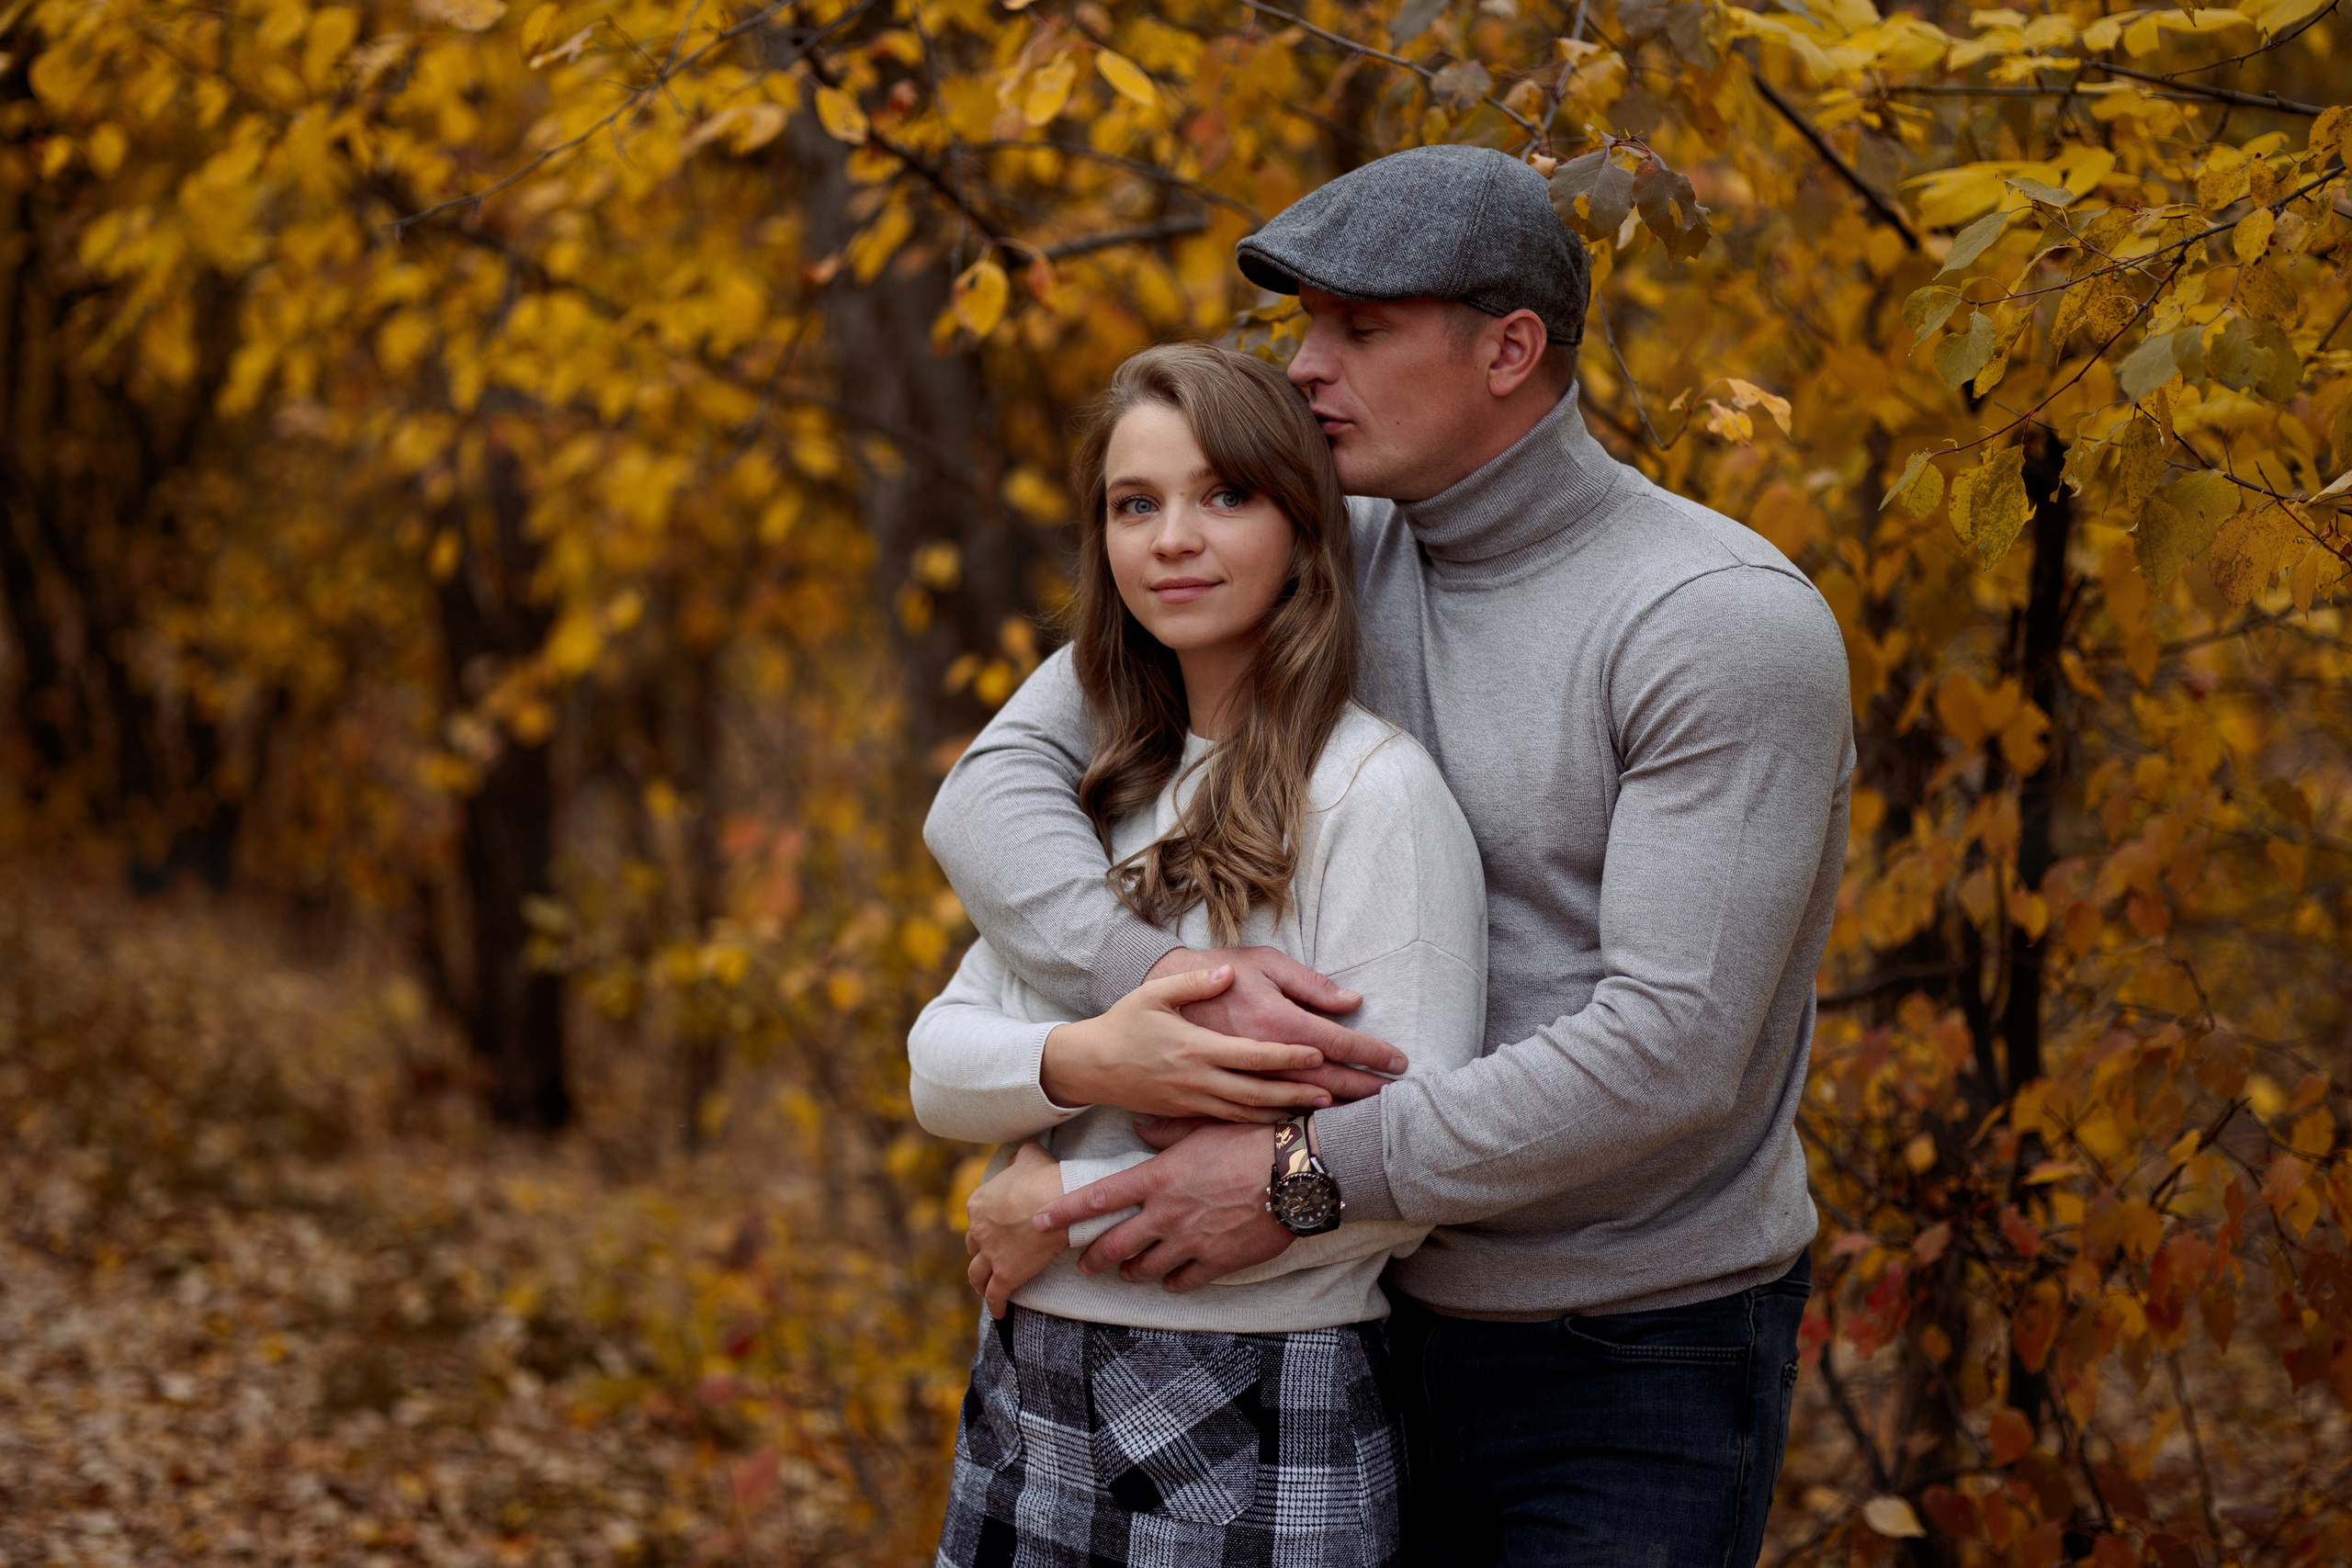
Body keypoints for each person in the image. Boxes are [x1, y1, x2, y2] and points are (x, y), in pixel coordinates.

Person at [924, 145, 1855, 1566]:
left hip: (1621, 1356)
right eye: (1302, 325)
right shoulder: (1312, 550)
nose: (1304, 368)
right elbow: (992, 791)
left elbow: (1669, 1047)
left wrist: (1297, 1176)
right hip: (1334, 1334)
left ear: (1511, 348)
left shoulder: (1712, 621)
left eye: (1359, 331)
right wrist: (1169, 987)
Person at [909, 342, 1487, 1567]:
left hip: (1266, 1391)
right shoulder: (1106, 794)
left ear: (1303, 527)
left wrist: (1058, 1202)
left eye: (1225, 495)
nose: (1174, 537)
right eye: (1136, 505)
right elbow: (939, 1065)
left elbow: (1415, 1150)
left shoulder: (1371, 793)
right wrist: (1092, 1060)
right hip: (1029, 1380)